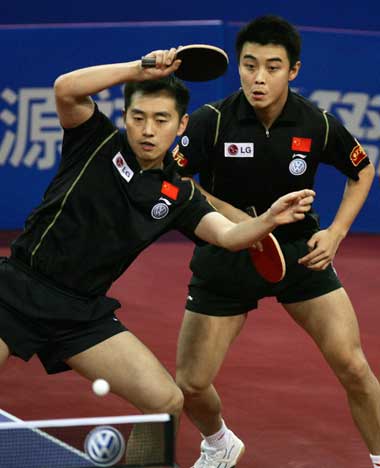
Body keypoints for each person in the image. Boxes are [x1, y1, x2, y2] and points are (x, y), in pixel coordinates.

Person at [0, 47, 314, 429]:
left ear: (181, 126)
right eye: (139, 118)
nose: (149, 130)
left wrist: (266, 219)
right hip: (15, 291)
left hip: (80, 313)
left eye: (161, 120)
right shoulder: (95, 139)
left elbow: (230, 236)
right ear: (125, 119)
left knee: (165, 401)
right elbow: (66, 89)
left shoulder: (179, 194)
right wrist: (138, 69)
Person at [172, 15, 379, 468]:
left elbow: (362, 170)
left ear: (294, 70)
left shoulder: (316, 123)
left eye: (272, 66)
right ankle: (219, 441)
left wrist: (337, 232)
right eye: (249, 65)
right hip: (227, 254)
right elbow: (175, 176)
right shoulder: (213, 121)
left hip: (301, 253)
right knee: (189, 383)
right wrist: (245, 223)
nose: (258, 78)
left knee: (355, 368)